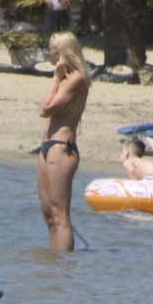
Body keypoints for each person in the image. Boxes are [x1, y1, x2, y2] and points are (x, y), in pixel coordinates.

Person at [36, 32, 89, 252]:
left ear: (64, 52)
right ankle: (54, 261)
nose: (49, 52)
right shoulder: (64, 77)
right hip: (47, 147)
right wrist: (58, 78)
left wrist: (56, 79)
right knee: (49, 215)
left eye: (52, 49)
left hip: (62, 148)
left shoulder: (76, 78)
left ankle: (64, 265)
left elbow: (47, 109)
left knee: (60, 215)